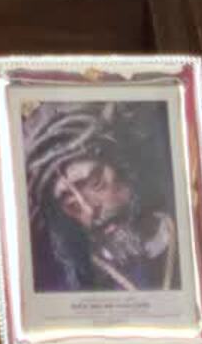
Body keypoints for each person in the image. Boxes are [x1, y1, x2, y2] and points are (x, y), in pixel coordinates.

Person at [22, 102, 177, 293]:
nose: (89, 210)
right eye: (70, 204)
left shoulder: (183, 225)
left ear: (121, 163)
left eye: (96, 183)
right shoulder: (69, 280)